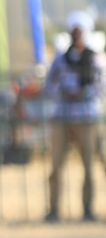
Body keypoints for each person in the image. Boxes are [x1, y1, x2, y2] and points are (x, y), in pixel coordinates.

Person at [43, 11, 104, 222]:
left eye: (80, 31)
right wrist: (63, 91)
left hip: (87, 118)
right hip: (62, 117)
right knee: (55, 166)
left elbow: (102, 87)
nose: (76, 35)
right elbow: (48, 85)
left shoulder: (95, 59)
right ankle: (53, 209)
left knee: (88, 167)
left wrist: (83, 92)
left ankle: (87, 209)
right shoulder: (60, 59)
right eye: (74, 31)